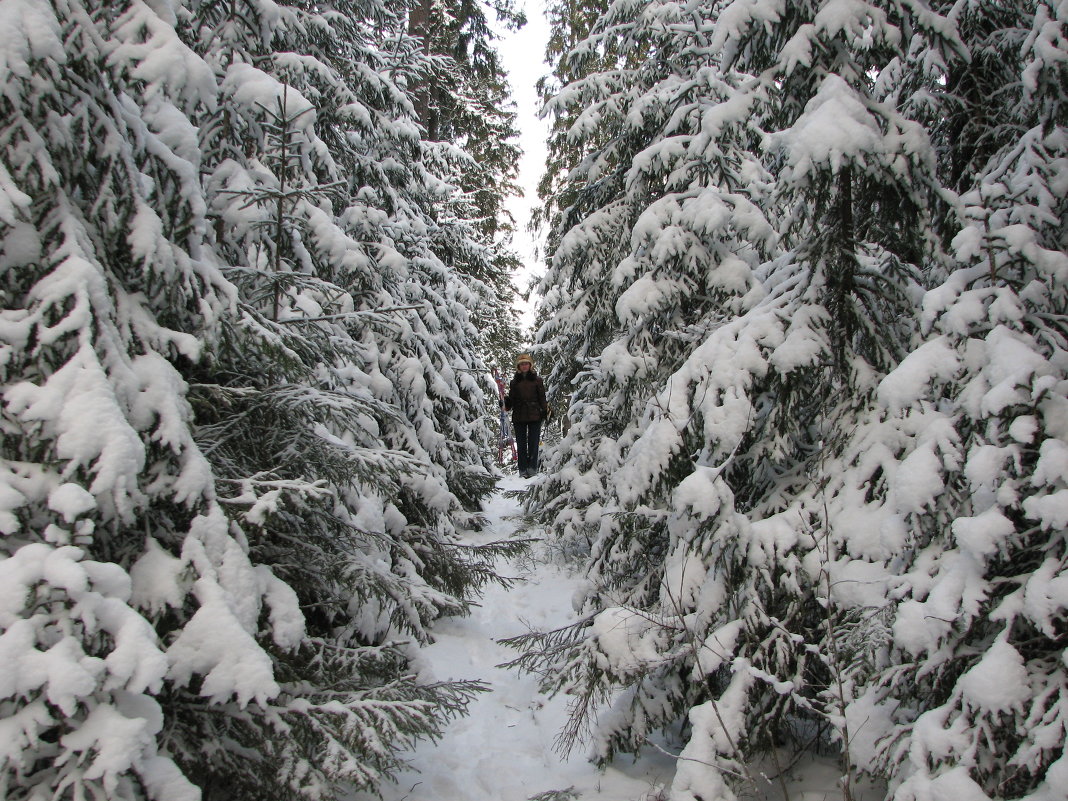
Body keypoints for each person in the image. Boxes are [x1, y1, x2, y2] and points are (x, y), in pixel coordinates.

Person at [503, 353, 548, 478]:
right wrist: (506, 402)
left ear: (530, 365)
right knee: (521, 444)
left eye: (526, 364)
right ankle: (522, 470)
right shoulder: (514, 382)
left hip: (534, 414)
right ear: (519, 366)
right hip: (519, 414)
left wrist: (545, 410)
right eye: (522, 364)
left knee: (533, 443)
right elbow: (511, 400)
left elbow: (542, 397)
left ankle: (532, 468)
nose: (524, 366)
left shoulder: (537, 380)